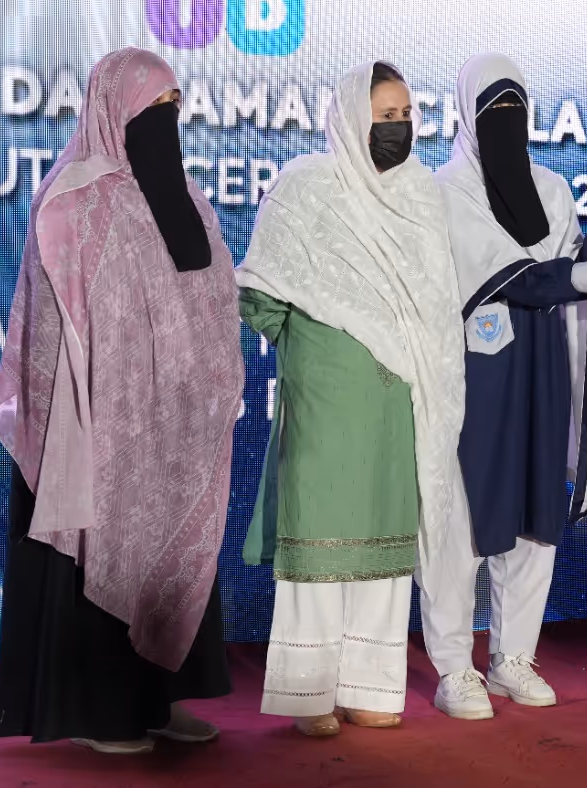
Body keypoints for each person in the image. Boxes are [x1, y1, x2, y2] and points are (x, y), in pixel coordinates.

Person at [0, 47, 245, 755]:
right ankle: (102, 712)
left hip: (177, 426)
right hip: (96, 419)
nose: (165, 122)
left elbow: (213, 293)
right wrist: (115, 388)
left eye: (174, 108)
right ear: (112, 108)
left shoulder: (183, 196)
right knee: (100, 559)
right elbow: (55, 318)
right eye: (150, 108)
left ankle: (157, 702)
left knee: (173, 559)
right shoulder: (73, 199)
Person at [416, 52, 587, 720]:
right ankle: (454, 666)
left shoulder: (550, 190)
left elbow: (567, 267)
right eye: (493, 112)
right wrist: (586, 275)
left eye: (517, 110)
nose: (506, 125)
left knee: (535, 517)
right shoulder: (444, 192)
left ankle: (512, 656)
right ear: (465, 116)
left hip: (544, 368)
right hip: (476, 377)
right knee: (463, 521)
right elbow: (506, 277)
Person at [234, 61, 466, 738]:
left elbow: (434, 305)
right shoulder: (305, 187)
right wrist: (318, 347)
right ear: (347, 118)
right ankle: (310, 694)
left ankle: (370, 687)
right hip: (327, 391)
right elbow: (262, 293)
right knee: (323, 535)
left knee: (385, 541)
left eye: (404, 116)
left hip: (401, 397)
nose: (396, 128)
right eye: (381, 116)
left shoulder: (421, 194)